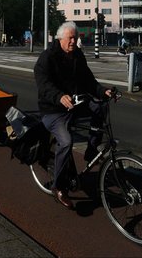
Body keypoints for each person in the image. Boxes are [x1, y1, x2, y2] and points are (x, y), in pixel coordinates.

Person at [34, 21, 112, 209]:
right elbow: (44, 85)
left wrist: (103, 92)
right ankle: (59, 187)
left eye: (75, 38)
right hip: (53, 109)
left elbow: (89, 80)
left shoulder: (77, 55)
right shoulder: (47, 58)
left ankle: (91, 149)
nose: (73, 41)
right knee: (67, 141)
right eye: (70, 38)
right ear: (61, 39)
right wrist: (59, 97)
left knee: (100, 108)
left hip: (75, 104)